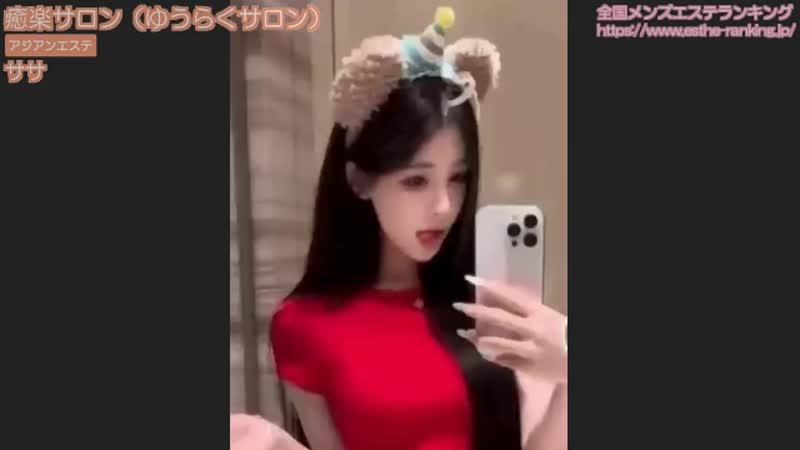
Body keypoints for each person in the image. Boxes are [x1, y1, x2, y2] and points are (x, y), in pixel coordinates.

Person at [261, 7, 568, 450]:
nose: (444, 206)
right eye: (416, 181)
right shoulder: (303, 325)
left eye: (457, 178)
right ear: (358, 180)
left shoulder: (488, 301)